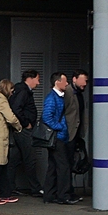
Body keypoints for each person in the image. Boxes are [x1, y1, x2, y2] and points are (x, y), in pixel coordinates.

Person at [42, 71, 77, 205]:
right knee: (63, 166)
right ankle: (63, 195)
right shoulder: (53, 98)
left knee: (53, 166)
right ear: (57, 82)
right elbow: (47, 117)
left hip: (58, 136)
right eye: (65, 81)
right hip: (58, 137)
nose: (67, 83)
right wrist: (60, 127)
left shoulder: (57, 97)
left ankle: (49, 195)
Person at [8, 70, 42, 196]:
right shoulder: (23, 91)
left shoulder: (19, 89)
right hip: (24, 130)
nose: (38, 83)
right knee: (30, 159)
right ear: (30, 78)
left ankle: (9, 187)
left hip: (18, 130)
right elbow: (16, 108)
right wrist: (25, 123)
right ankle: (35, 188)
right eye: (37, 79)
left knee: (14, 160)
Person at [62, 69, 87, 202]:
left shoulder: (79, 94)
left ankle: (69, 191)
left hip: (76, 133)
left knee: (71, 162)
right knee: (65, 164)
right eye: (83, 80)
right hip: (68, 133)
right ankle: (65, 192)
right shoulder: (68, 92)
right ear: (74, 79)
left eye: (86, 81)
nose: (85, 84)